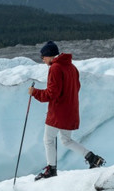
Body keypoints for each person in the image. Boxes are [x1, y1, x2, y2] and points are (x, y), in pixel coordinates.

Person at [28, 41, 104, 180]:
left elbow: (52, 94)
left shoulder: (55, 68)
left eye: (43, 56)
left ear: (49, 55)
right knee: (66, 140)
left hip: (58, 112)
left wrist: (34, 92)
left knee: (48, 140)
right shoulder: (71, 67)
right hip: (70, 110)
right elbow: (76, 87)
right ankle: (92, 158)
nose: (42, 59)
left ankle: (51, 170)